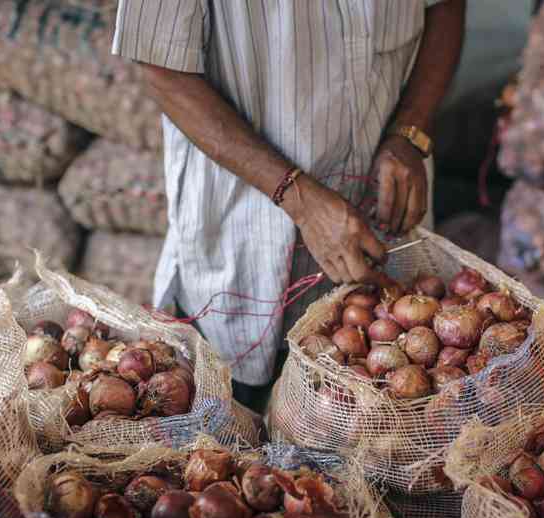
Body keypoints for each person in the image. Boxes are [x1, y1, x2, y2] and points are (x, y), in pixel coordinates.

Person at [113, 1, 466, 409]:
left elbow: (447, 7)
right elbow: (162, 67)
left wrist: (412, 129)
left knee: (386, 428)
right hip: (246, 247)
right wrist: (300, 199)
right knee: (236, 439)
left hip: (389, 228)